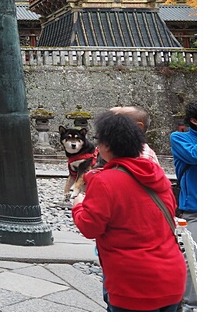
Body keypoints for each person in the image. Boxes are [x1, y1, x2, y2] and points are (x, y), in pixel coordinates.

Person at [72, 109, 186, 311]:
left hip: (132, 284)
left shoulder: (104, 181)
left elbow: (90, 227)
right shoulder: (156, 174)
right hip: (172, 278)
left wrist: (78, 205)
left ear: (106, 146)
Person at [170, 101, 197, 312]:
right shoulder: (179, 138)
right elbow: (195, 156)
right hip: (194, 210)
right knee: (193, 258)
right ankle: (191, 306)